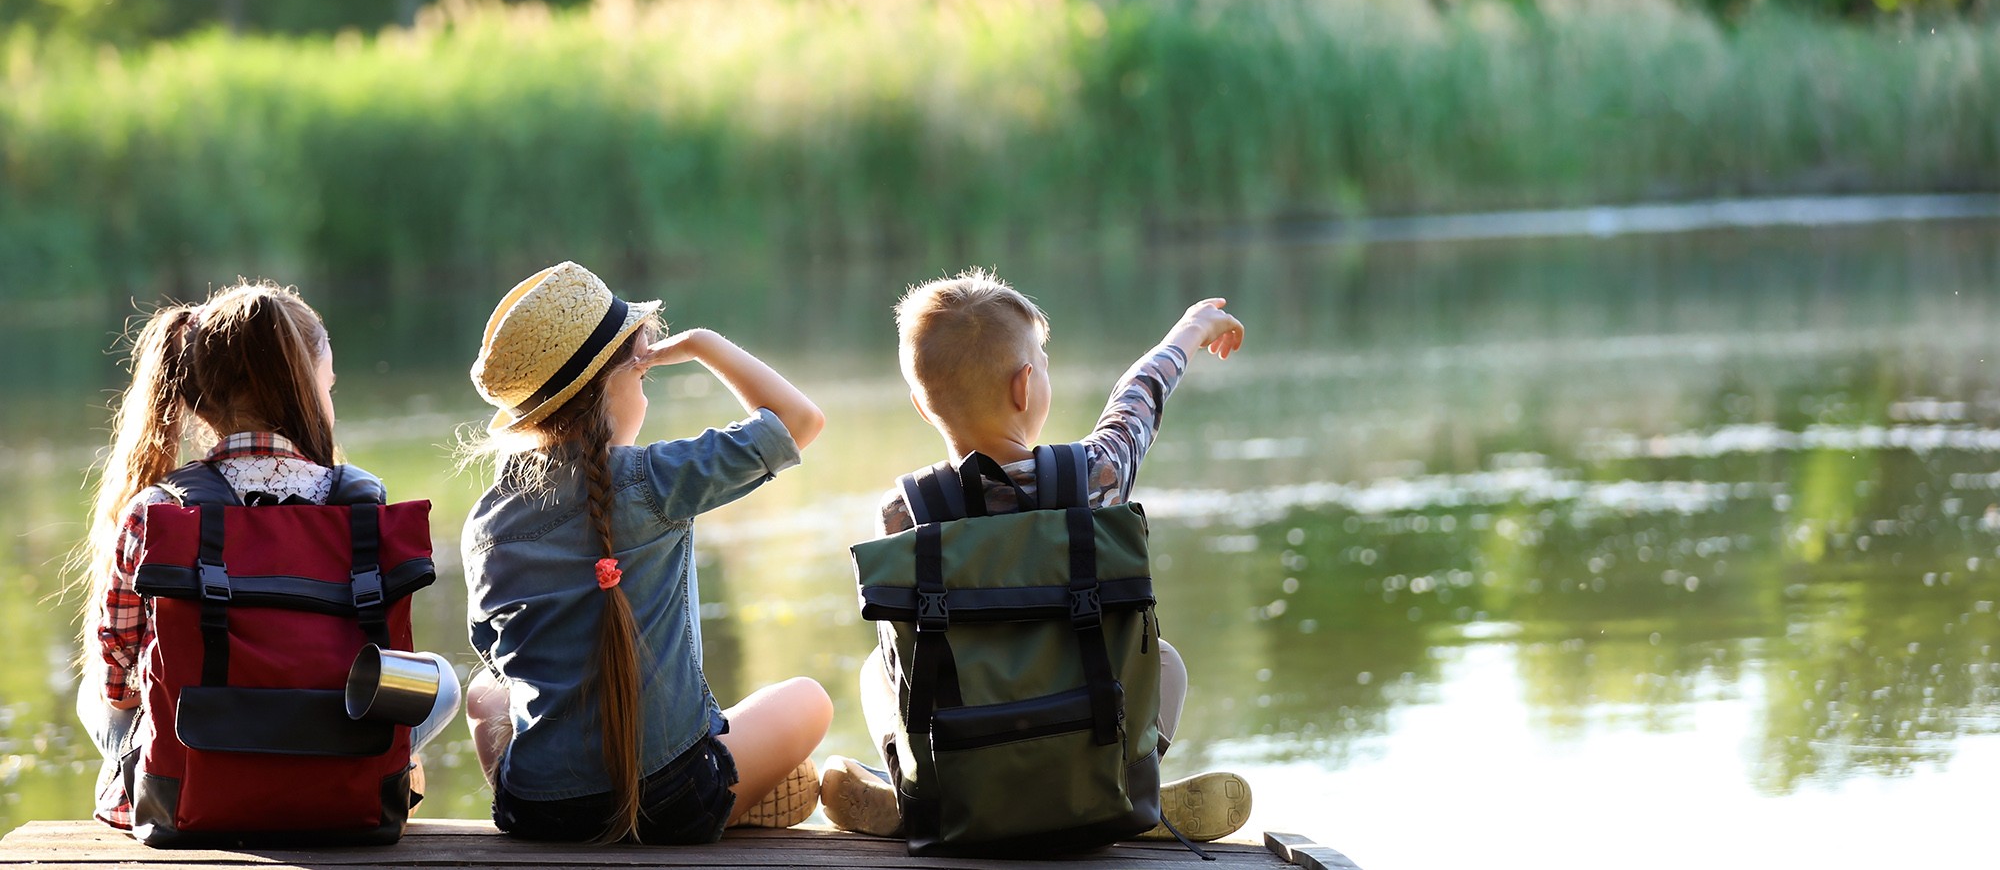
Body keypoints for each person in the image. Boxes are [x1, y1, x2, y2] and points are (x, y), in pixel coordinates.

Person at [820, 269, 1255, 843]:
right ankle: (1123, 784)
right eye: (1044, 364)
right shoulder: (1094, 478)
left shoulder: (904, 511)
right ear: (1026, 386)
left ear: (924, 410)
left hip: (963, 761)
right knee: (1164, 659)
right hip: (1085, 737)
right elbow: (1137, 401)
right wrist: (1190, 329)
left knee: (878, 670)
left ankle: (916, 794)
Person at [461, 261, 833, 844]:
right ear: (612, 386)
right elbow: (800, 421)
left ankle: (599, 803)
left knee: (484, 693)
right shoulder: (654, 479)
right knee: (810, 700)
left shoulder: (487, 520)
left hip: (535, 811)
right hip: (674, 798)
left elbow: (494, 652)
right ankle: (732, 798)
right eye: (642, 377)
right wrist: (707, 347)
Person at [71, 280, 460, 830]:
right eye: (328, 386)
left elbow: (118, 676)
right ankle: (385, 773)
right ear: (303, 391)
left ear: (200, 401)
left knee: (95, 692)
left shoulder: (158, 511)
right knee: (439, 679)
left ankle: (133, 791)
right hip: (341, 756)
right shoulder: (362, 509)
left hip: (198, 776)